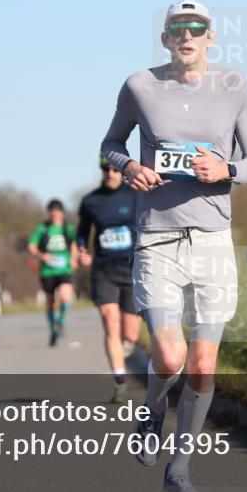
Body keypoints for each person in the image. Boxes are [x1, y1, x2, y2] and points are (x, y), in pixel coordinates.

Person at [100, 0, 247, 492]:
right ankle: (151, 410)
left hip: (213, 241)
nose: (187, 35)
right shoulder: (139, 86)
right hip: (158, 237)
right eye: (177, 28)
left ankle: (179, 471)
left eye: (197, 28)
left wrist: (227, 172)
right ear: (166, 37)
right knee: (169, 356)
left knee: (200, 366)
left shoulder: (235, 86)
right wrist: (129, 168)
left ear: (211, 37)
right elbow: (110, 144)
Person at [77, 156, 143, 403]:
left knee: (131, 333)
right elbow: (83, 231)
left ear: (122, 172)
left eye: (115, 169)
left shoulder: (135, 194)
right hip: (104, 270)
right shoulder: (90, 201)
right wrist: (82, 249)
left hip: (132, 268)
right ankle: (120, 380)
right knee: (109, 321)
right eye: (106, 169)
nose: (111, 172)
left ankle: (127, 347)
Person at [27, 199, 77, 346]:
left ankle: (61, 321)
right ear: (49, 213)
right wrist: (42, 255)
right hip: (47, 271)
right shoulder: (43, 228)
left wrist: (73, 259)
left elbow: (74, 244)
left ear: (62, 213)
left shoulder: (68, 229)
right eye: (52, 211)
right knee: (50, 302)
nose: (55, 214)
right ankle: (53, 330)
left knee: (65, 295)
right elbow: (31, 245)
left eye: (58, 211)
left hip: (64, 268)